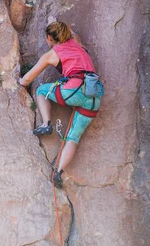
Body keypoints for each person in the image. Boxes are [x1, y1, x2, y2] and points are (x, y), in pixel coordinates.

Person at [18, 21, 104, 188]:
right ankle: (58, 173)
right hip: (94, 96)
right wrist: (53, 21)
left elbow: (28, 79)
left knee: (42, 90)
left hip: (74, 90)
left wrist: (20, 81)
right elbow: (71, 33)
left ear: (49, 38)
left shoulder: (52, 54)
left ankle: (46, 124)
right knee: (73, 138)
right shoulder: (77, 43)